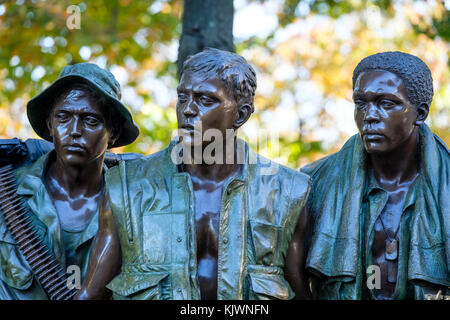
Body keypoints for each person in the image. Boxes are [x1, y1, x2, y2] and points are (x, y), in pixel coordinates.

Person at [77, 48, 312, 300]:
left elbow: (300, 293)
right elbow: (91, 295)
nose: (187, 109)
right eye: (183, 97)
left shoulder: (289, 192)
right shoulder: (126, 187)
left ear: (241, 114)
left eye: (205, 100)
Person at [301, 51, 450, 300]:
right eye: (361, 103)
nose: (369, 116)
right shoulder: (312, 184)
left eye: (386, 103)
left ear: (420, 113)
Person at [0, 63, 139, 299]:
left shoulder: (136, 200)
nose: (74, 130)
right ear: (49, 125)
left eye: (90, 120)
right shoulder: (8, 189)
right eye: (63, 117)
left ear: (112, 132)